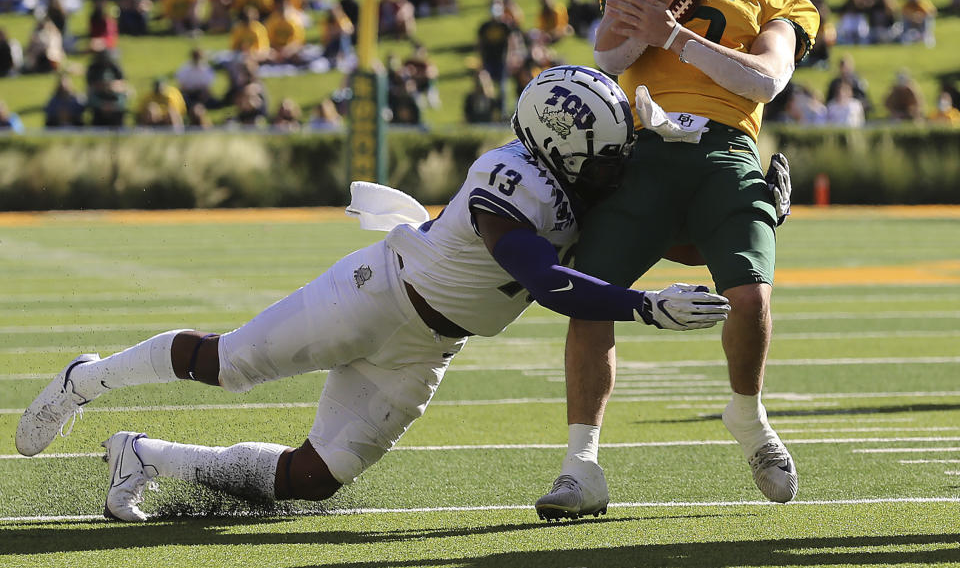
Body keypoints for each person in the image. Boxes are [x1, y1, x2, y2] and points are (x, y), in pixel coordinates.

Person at [16, 65, 730, 522]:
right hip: (377, 293)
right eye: (608, 159)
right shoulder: (508, 179)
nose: (618, 171)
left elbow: (677, 237)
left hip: (427, 348)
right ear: (563, 147)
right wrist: (642, 306)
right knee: (226, 362)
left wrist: (754, 213)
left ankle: (145, 455)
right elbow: (543, 280)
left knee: (315, 478)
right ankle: (90, 377)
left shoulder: (573, 180)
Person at [535, 0, 819, 520]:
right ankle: (581, 465)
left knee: (749, 296)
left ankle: (747, 416)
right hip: (637, 156)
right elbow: (608, 56)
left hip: (727, 153)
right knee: (592, 294)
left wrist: (677, 36)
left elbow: (766, 81)